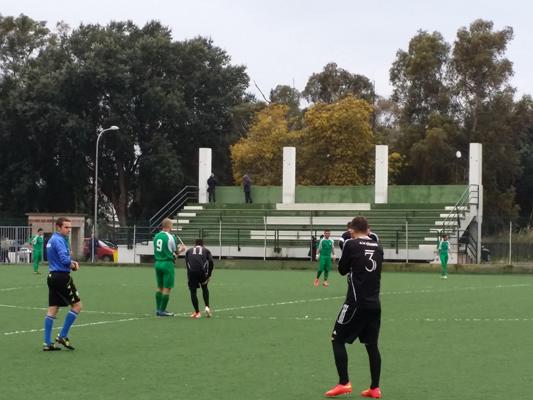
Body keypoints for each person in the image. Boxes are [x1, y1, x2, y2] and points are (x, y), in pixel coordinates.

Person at [325, 216, 383, 398]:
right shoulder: (378, 247)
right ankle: (375, 388)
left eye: (350, 229)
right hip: (374, 304)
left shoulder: (350, 244)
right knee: (372, 345)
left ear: (352, 230)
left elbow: (342, 270)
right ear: (368, 229)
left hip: (355, 303)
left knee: (337, 339)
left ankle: (344, 382)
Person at [42, 217, 81, 351]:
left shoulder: (51, 240)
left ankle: (47, 342)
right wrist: (74, 265)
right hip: (61, 277)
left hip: (52, 276)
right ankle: (62, 336)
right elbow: (64, 260)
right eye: (66, 227)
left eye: (70, 227)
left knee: (53, 308)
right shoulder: (59, 240)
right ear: (58, 227)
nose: (69, 230)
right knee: (77, 306)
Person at [153, 218, 186, 316]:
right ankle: (162, 310)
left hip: (158, 263)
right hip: (167, 264)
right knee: (167, 287)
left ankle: (158, 309)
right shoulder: (171, 237)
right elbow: (175, 253)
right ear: (169, 226)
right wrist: (182, 249)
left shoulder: (156, 236)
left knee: (160, 287)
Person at [185, 239, 214, 318]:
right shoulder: (206, 250)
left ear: (195, 244)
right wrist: (209, 275)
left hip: (192, 273)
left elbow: (187, 264)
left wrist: (189, 275)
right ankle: (207, 307)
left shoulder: (188, 251)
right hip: (202, 272)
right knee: (204, 287)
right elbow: (211, 262)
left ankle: (197, 312)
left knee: (193, 291)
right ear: (203, 245)